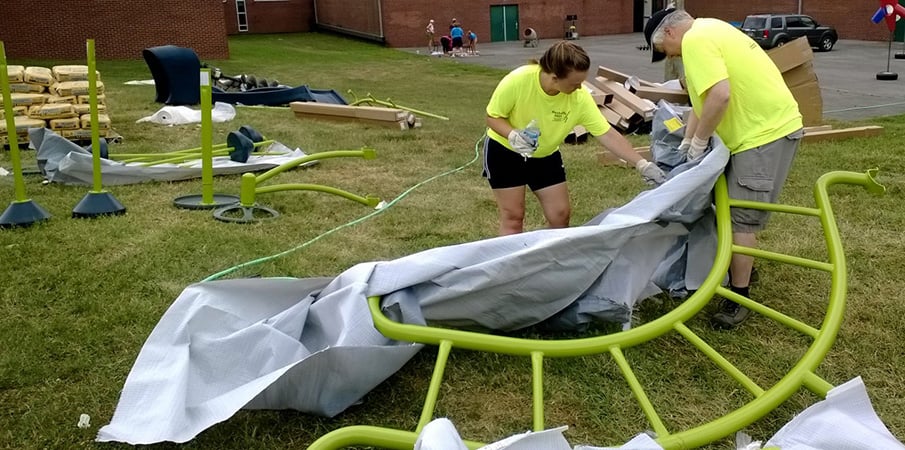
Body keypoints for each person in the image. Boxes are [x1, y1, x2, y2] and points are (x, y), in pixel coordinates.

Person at [643, 9, 803, 329]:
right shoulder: (711, 29)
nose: (669, 57)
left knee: (740, 218)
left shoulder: (696, 42)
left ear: (671, 34)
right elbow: (702, 103)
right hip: (756, 133)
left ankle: (739, 295)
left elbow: (720, 95)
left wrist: (701, 141)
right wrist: (687, 143)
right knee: (727, 208)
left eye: (664, 51)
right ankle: (741, 268)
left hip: (762, 136)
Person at [483, 40, 666, 236]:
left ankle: (551, 260)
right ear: (554, 78)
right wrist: (513, 135)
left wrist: (642, 164)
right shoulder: (518, 81)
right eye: (575, 83)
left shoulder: (579, 98)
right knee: (514, 217)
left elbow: (607, 134)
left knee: (560, 215)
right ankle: (511, 265)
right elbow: (493, 117)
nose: (580, 88)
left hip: (545, 155)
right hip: (505, 153)